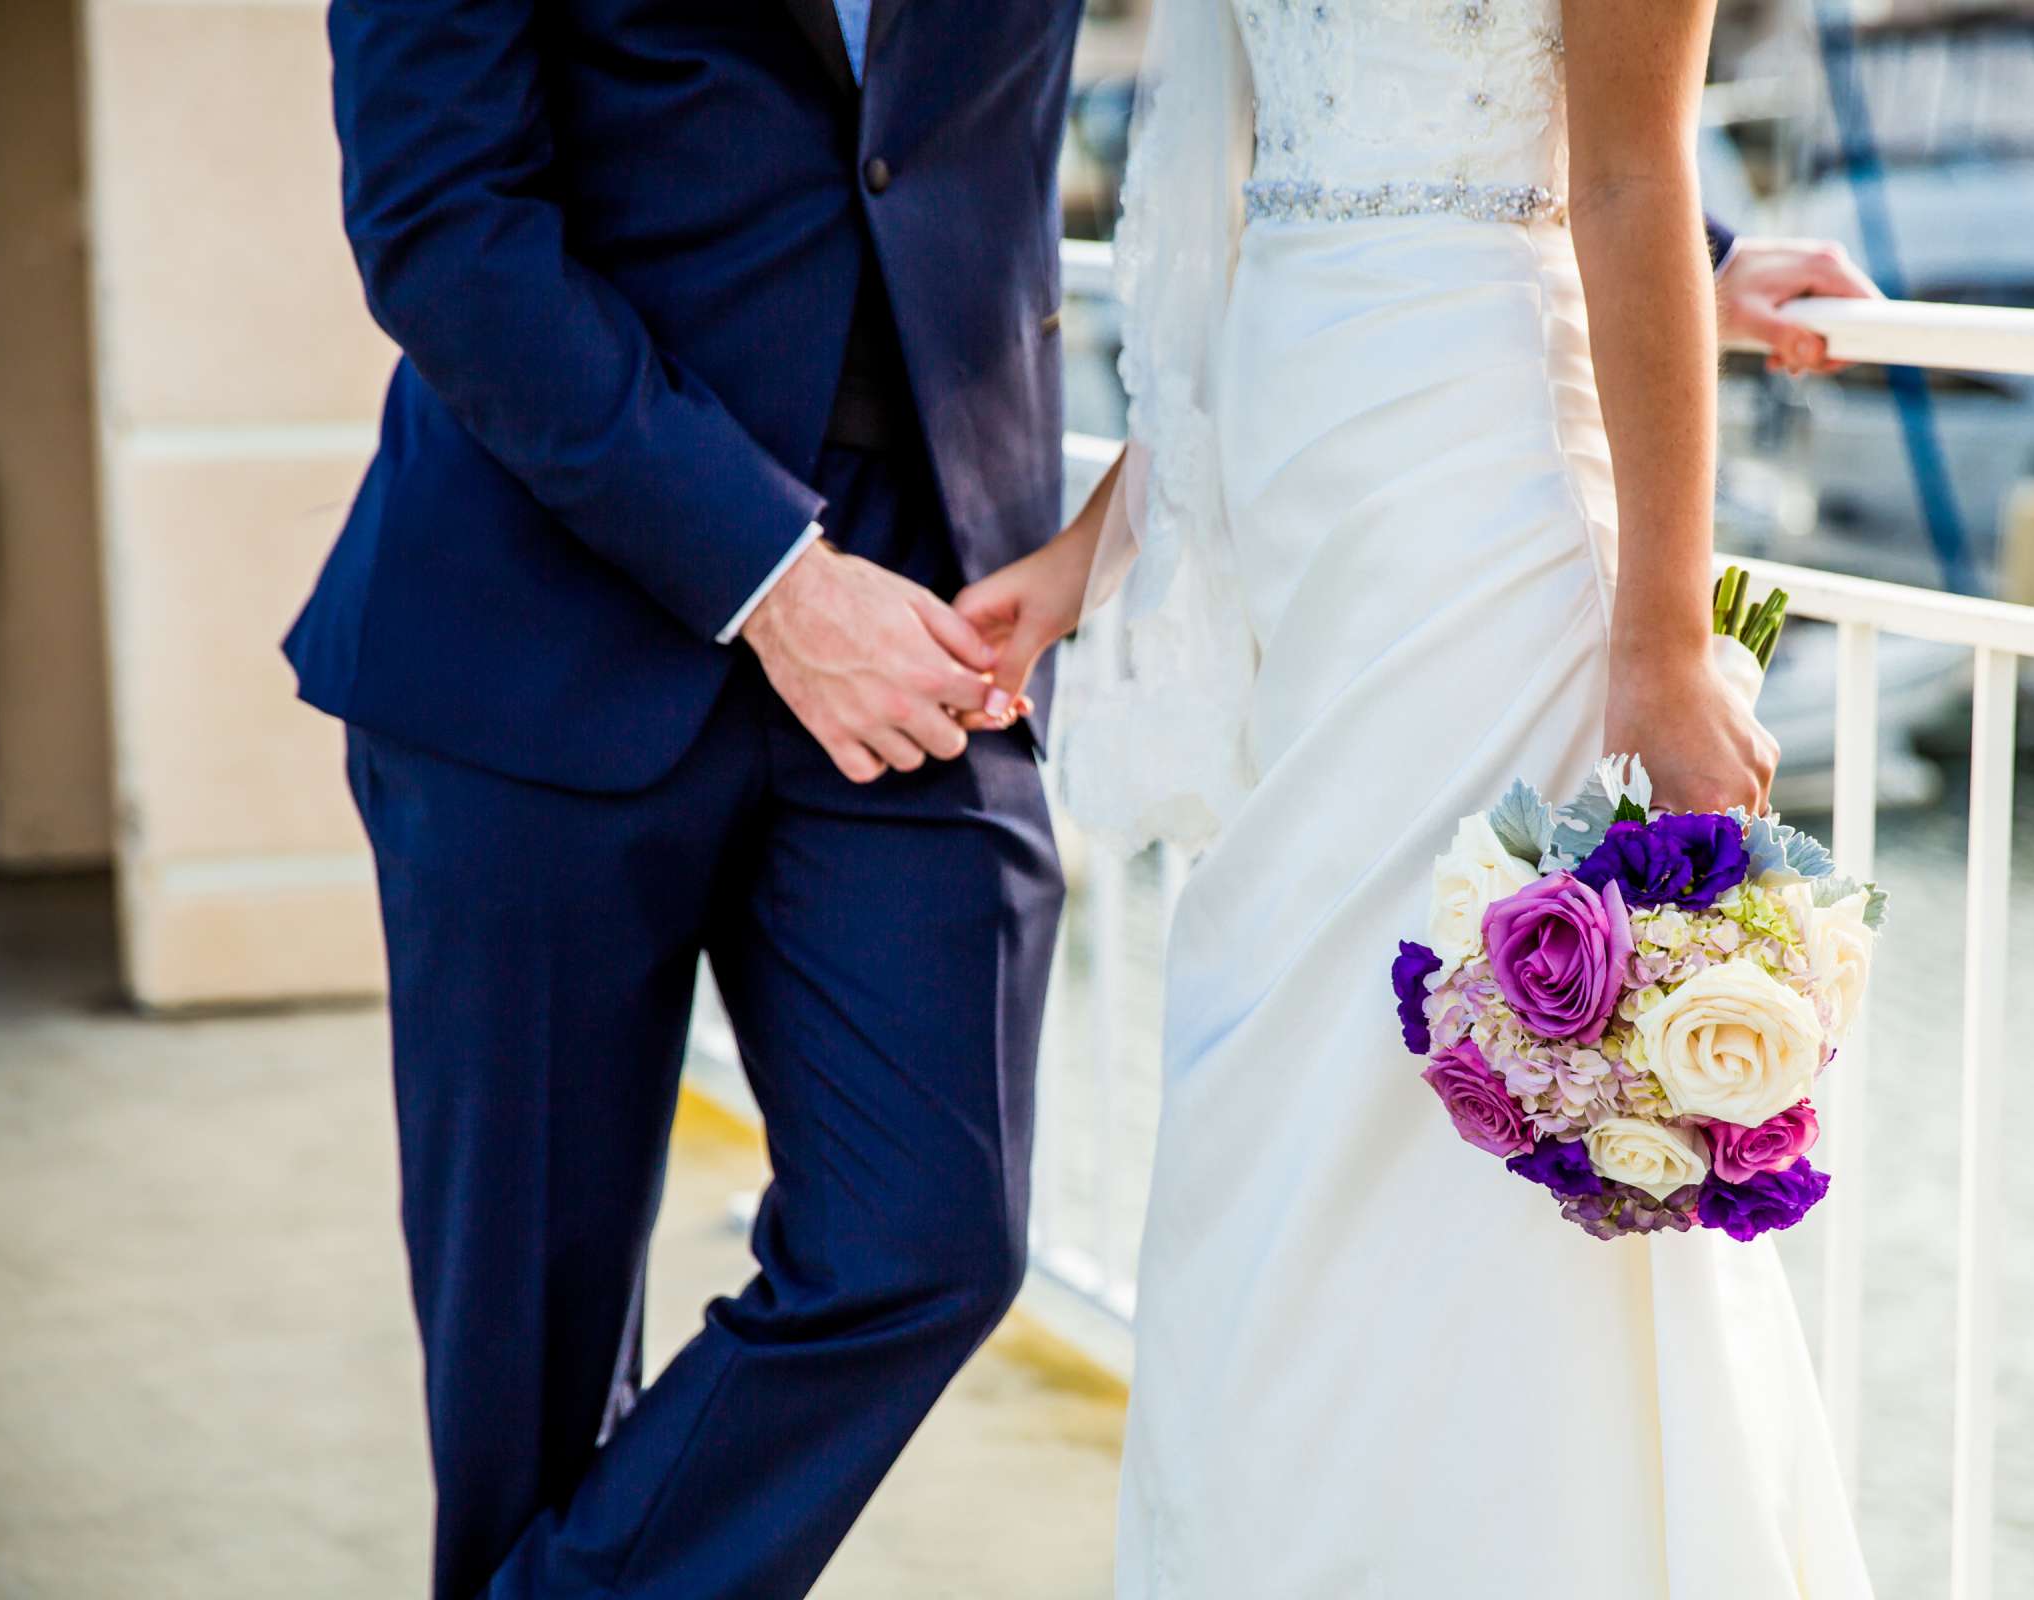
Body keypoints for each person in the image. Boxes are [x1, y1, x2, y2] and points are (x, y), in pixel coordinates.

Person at [951, 0, 1882, 1591]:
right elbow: (1247, 227)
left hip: (1483, 503)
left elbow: (1632, 180)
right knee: (1278, 1111)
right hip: (1298, 512)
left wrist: (1661, 640)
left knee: (1478, 1122)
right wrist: (1079, 561)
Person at [282, 0, 1080, 1594]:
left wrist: (1644, 244)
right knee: (528, 1349)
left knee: (932, 1237)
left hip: (931, 597)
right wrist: (773, 579)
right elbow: (440, 216)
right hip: (538, 600)